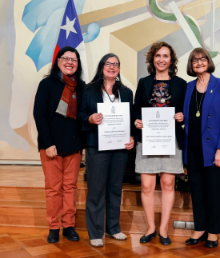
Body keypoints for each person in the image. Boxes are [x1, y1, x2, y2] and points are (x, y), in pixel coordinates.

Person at [78, 53, 135, 247]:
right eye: (108, 64)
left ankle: (113, 228)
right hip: (97, 146)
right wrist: (90, 119)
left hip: (120, 148)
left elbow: (131, 119)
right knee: (96, 189)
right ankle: (95, 231)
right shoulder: (89, 90)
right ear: (102, 66)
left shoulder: (126, 92)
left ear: (119, 69)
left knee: (114, 188)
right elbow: (81, 115)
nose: (112, 67)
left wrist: (132, 137)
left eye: (116, 64)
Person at [133, 41, 187, 245]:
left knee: (167, 183)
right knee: (147, 186)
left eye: (165, 56)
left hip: (170, 139)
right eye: (158, 56)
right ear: (152, 59)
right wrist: (136, 121)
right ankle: (151, 228)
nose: (161, 59)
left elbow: (185, 111)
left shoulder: (181, 83)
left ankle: (164, 229)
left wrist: (183, 117)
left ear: (171, 60)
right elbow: (136, 109)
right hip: (147, 139)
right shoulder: (143, 82)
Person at [183, 48, 220, 248]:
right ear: (191, 65)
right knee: (196, 191)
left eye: (202, 59)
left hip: (214, 151)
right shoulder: (188, 87)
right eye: (194, 60)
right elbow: (186, 115)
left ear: (209, 61)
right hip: (193, 148)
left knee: (213, 192)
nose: (198, 62)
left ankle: (213, 232)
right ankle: (200, 228)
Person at [34, 46, 84, 243]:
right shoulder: (47, 84)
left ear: (78, 64)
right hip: (51, 146)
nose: (70, 62)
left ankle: (69, 225)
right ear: (58, 61)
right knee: (54, 188)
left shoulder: (81, 86)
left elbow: (82, 116)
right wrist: (48, 143)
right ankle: (54, 227)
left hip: (73, 146)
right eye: (66, 58)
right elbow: (39, 115)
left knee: (70, 187)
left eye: (74, 59)